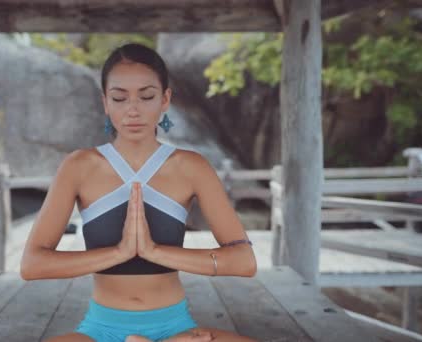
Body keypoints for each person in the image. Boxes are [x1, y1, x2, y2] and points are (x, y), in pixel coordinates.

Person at [20, 43, 257, 342]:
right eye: (119, 98)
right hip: (100, 330)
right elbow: (32, 264)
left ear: (165, 99)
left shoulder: (191, 167)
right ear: (105, 102)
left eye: (146, 96)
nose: (133, 109)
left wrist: (155, 252)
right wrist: (117, 253)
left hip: (175, 326)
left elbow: (244, 261)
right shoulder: (78, 166)